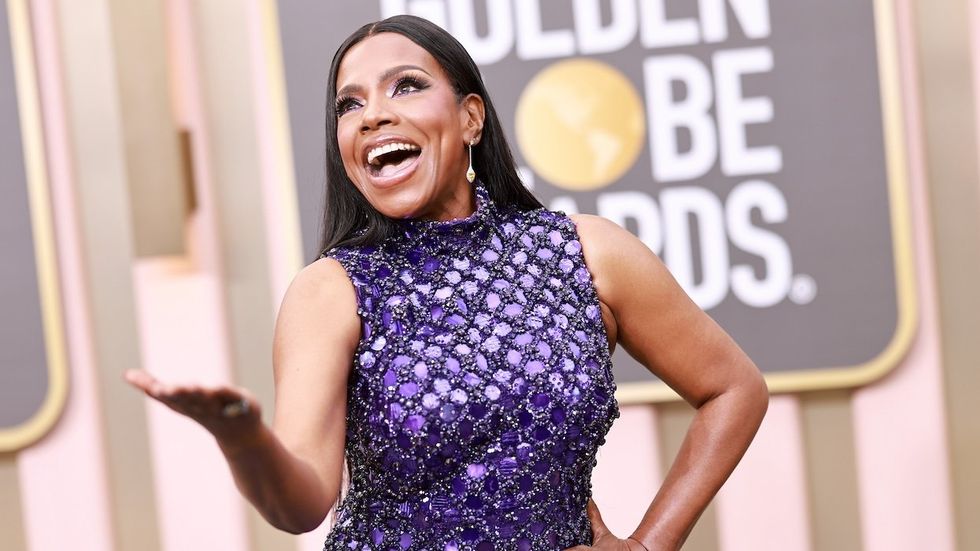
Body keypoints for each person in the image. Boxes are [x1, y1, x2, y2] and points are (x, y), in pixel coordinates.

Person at [125, 14, 769, 551]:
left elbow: (733, 388)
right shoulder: (330, 291)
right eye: (350, 104)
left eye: (404, 86)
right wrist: (244, 440)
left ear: (470, 119)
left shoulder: (587, 252)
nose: (372, 115)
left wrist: (650, 545)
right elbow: (300, 506)